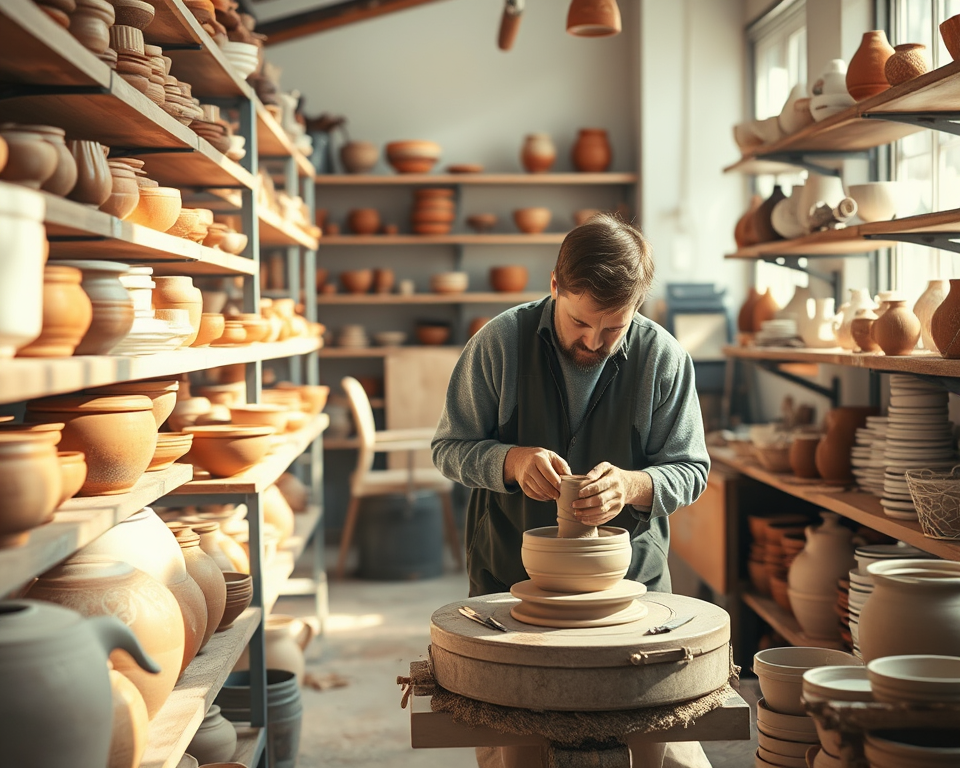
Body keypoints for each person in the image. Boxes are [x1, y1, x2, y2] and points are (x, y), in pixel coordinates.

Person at [431, 213, 713, 768]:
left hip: (632, 594)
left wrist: (635, 484)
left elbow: (691, 469)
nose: (594, 341)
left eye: (614, 328)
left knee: (667, 752)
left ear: (639, 305)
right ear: (555, 285)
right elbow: (448, 448)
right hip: (512, 591)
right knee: (518, 751)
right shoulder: (499, 344)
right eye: (582, 323)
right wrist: (508, 461)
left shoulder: (663, 357)